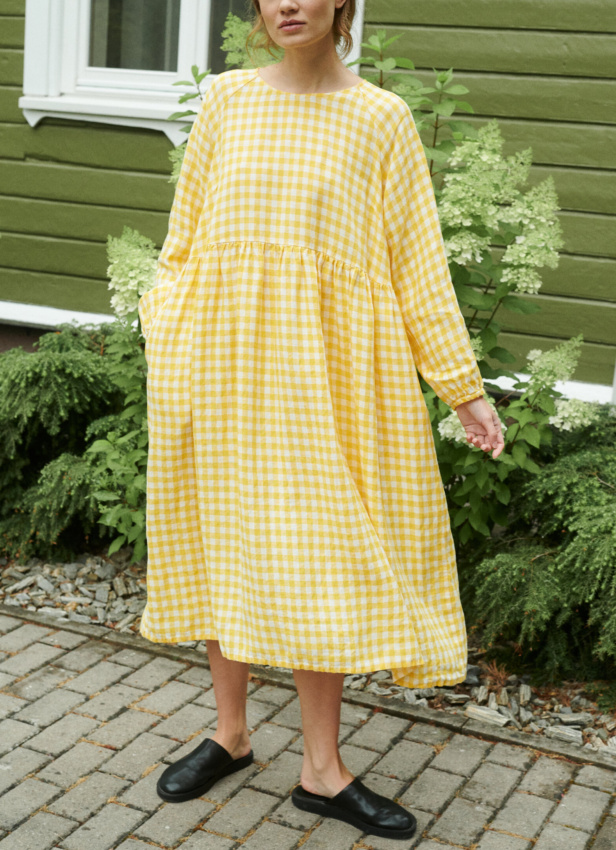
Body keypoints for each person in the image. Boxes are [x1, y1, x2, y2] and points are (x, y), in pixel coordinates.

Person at [138, 0, 505, 840]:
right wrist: (166, 324)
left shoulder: (381, 117)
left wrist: (462, 387)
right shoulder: (227, 99)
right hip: (219, 369)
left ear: (342, 2)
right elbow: (183, 237)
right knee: (221, 538)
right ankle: (229, 736)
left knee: (321, 558)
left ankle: (321, 770)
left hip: (324, 382)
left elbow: (418, 261)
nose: (290, 3)